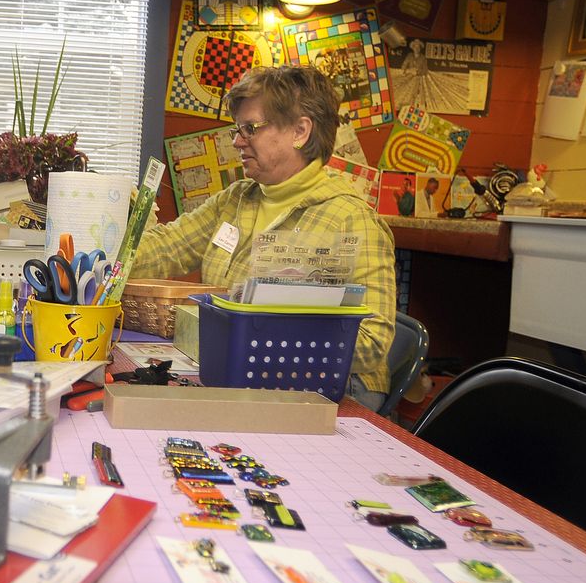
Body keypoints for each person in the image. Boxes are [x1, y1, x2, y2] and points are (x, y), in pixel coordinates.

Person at [129, 65, 396, 411]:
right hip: (241, 379)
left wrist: (261, 338)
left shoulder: (352, 220)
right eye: (237, 129)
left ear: (300, 131)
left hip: (331, 398)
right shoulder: (237, 198)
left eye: (250, 128)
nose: (238, 140)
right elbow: (165, 248)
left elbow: (374, 341)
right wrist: (96, 249)